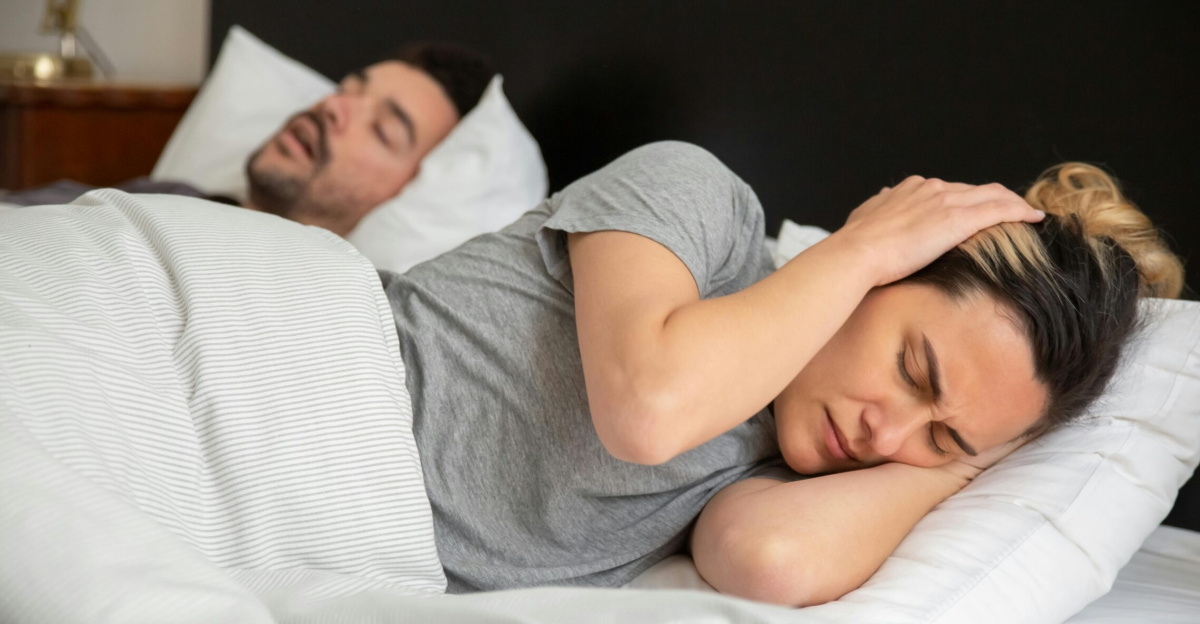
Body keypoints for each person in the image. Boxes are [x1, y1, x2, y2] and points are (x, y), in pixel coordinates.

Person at [378, 141, 1182, 604]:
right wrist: (858, 248)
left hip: (312, 532)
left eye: (942, 435)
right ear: (887, 269)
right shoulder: (700, 207)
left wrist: (965, 464)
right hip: (286, 365)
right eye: (913, 368)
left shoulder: (782, 469)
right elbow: (648, 409)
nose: (888, 432)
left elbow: (769, 561)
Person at [0, 42, 494, 238]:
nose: (334, 107)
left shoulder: (316, 300)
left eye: (383, 130)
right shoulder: (172, 194)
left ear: (410, 192)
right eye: (347, 89)